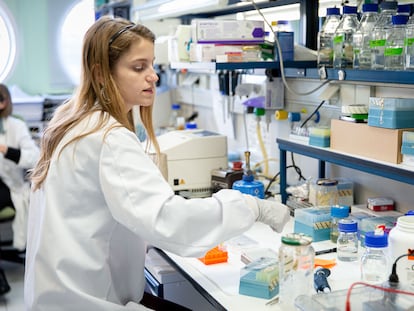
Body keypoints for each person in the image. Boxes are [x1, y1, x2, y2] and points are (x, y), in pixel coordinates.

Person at [24, 16, 290, 311]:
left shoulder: (73, 122)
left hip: (57, 297)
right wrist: (253, 207)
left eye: (152, 65)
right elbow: (170, 221)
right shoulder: (107, 137)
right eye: (139, 67)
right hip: (88, 301)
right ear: (101, 74)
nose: (153, 76)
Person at [0, 83, 39, 295]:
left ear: (3, 103)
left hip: (9, 185)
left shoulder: (15, 126)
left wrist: (5, 149)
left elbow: (33, 157)